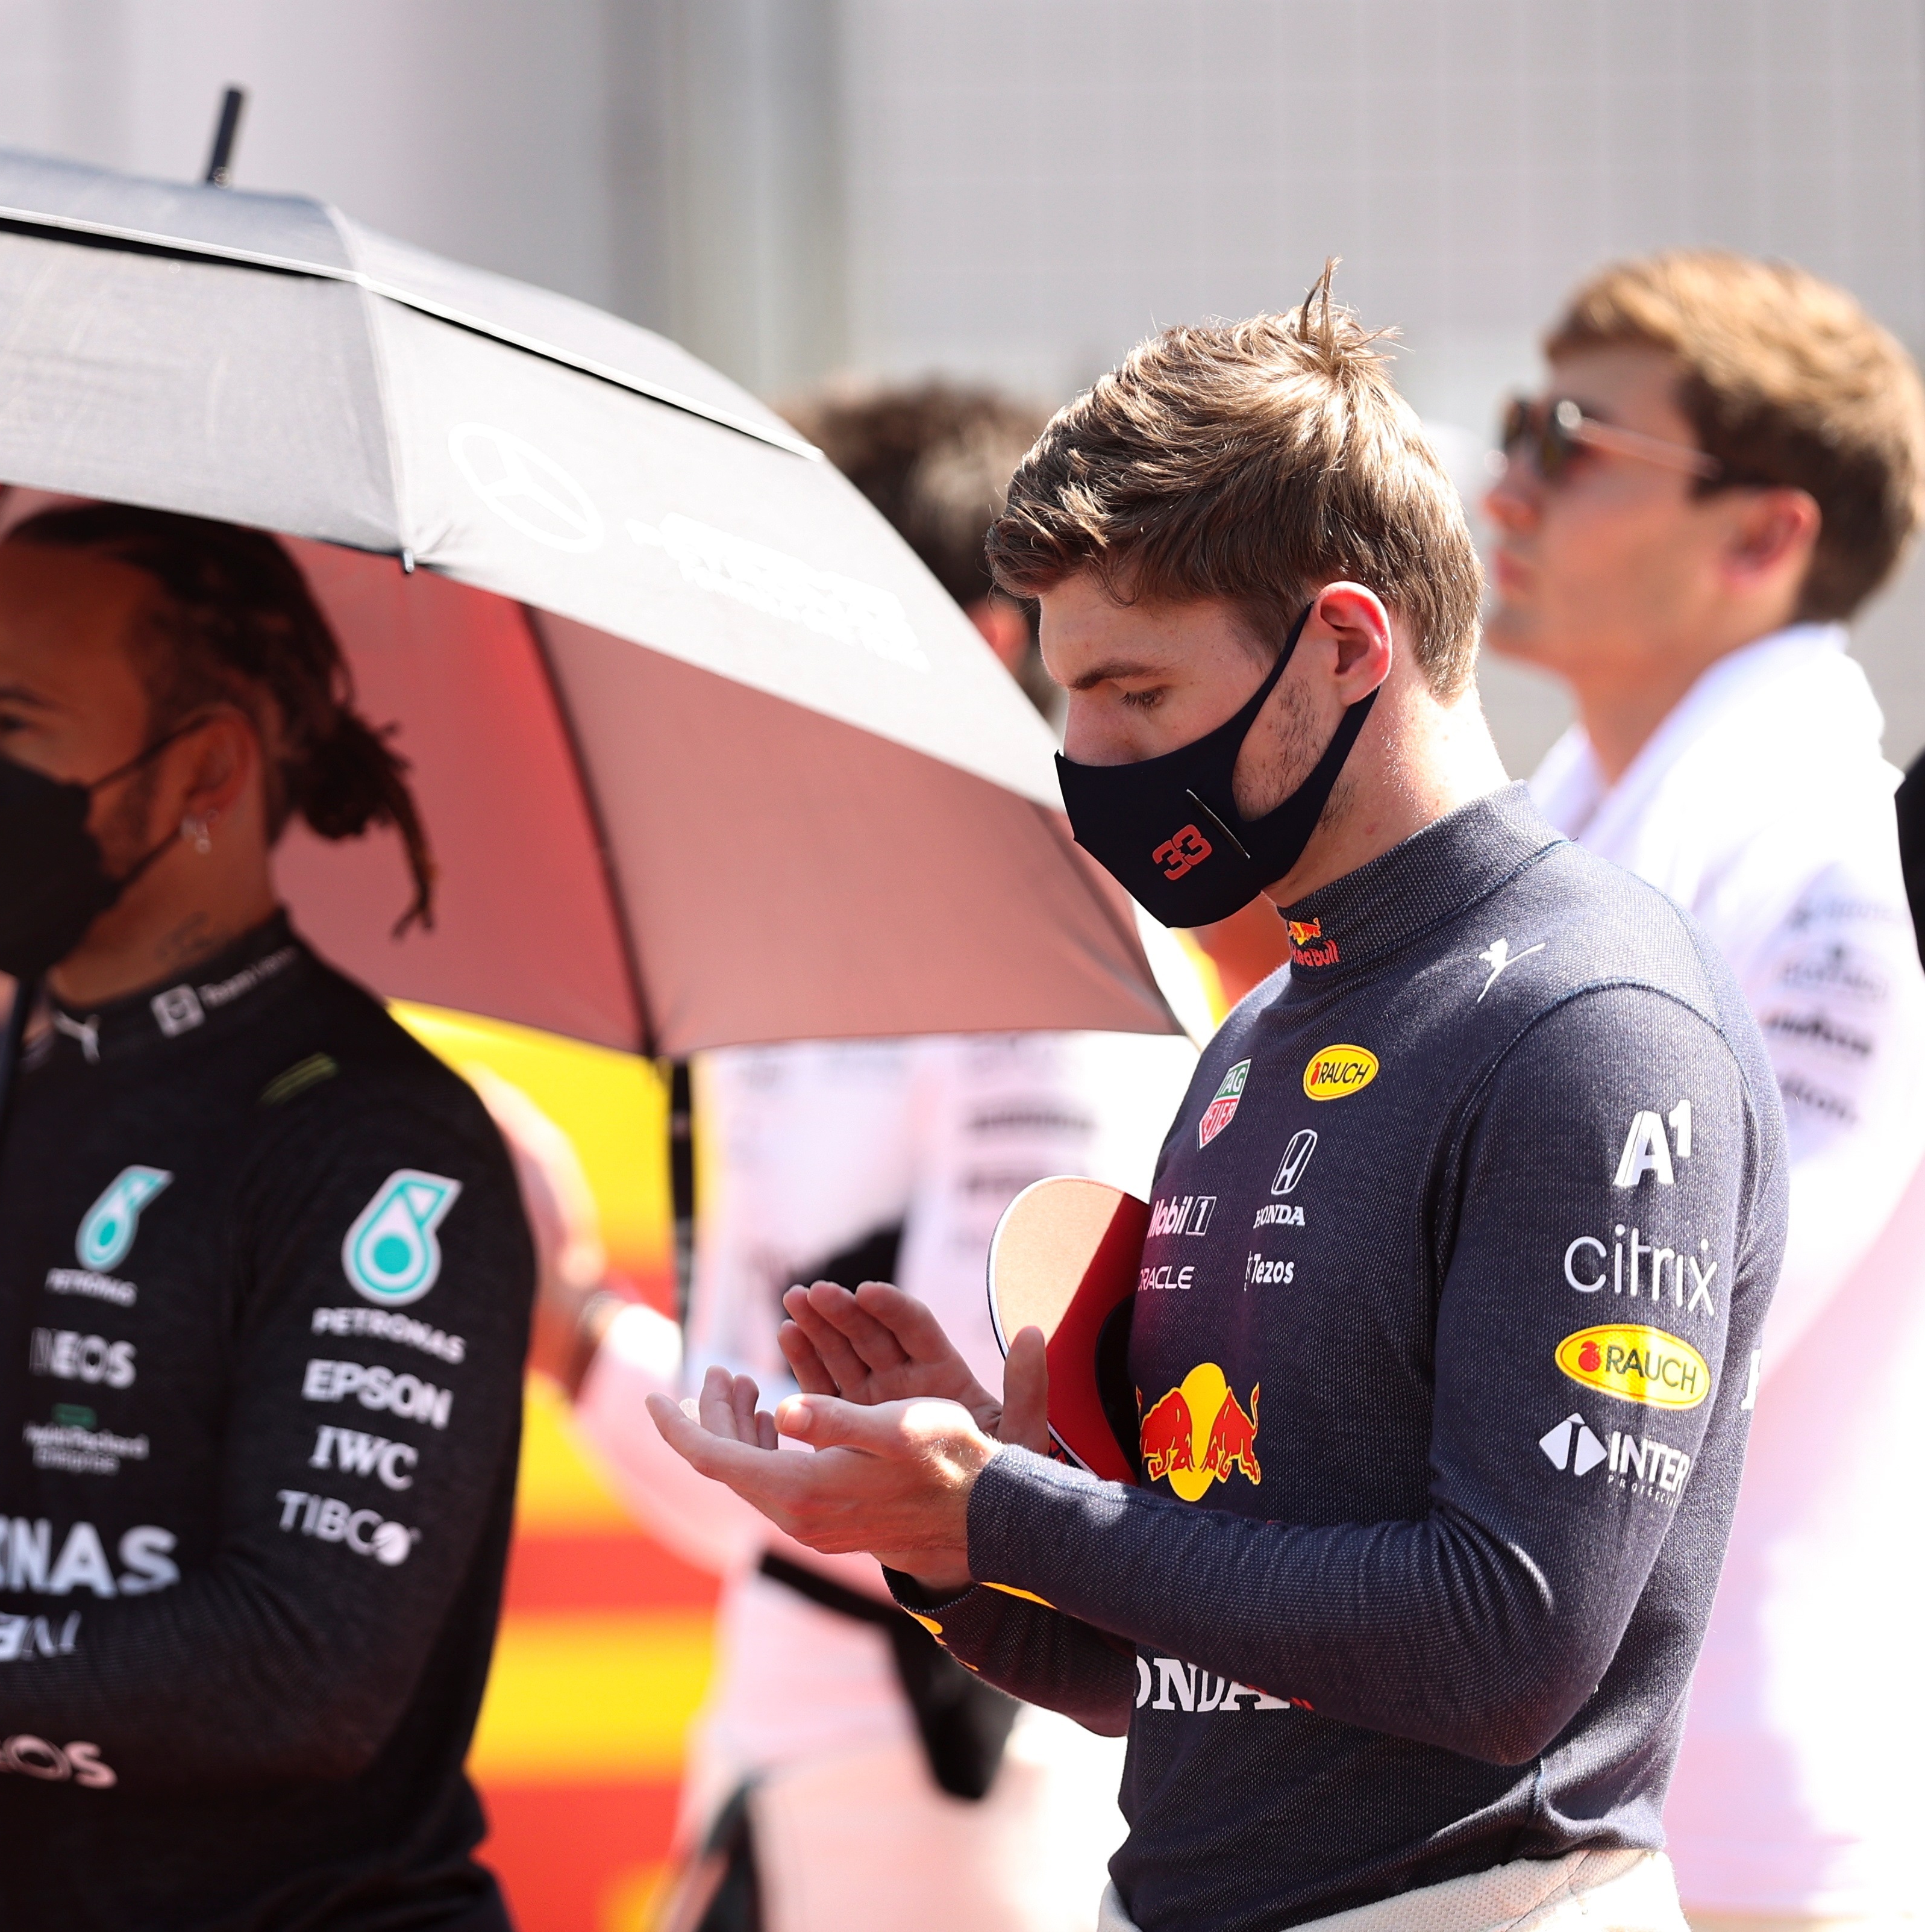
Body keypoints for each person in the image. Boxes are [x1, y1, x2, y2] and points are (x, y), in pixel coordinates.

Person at [649, 273, 1788, 1932]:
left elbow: (1505, 1636)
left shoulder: (1593, 1019)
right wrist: (934, 1534)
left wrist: (1004, 1498)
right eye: (1066, 698)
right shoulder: (1255, 1032)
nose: (1083, 757)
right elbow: (1165, 1673)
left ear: (1342, 646)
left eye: (1135, 696)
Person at [0, 505, 534, 1932]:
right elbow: (44, 1618)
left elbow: (305, 1666)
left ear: (204, 766)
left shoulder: (379, 1144)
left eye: (12, 724)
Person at [534, 380, 1192, 1932]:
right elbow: (753, 1423)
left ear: (972, 645)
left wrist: (569, 1338)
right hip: (778, 1722)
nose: (745, 664)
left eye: (787, 611)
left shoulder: (1053, 936)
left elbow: (965, 1465)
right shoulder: (789, 915)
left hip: (963, 1764)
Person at [1482, 251, 1925, 1932]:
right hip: (1595, 1798)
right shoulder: (1573, 826)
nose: (1503, 482)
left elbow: (1682, 1334)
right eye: (1522, 423)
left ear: (1763, 535)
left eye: (1574, 441)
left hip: (1765, 1823)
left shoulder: (1845, 858)